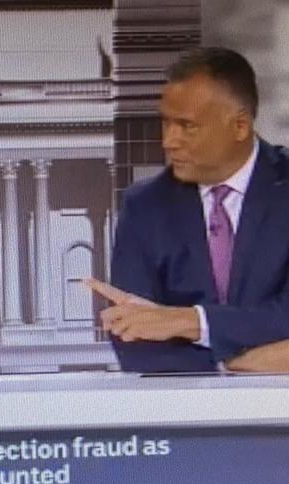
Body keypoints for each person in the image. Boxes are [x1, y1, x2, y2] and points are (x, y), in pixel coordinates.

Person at [88, 47, 289, 373]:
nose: (169, 141)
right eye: (166, 123)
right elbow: (135, 343)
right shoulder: (144, 207)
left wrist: (188, 321)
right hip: (184, 408)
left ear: (239, 126)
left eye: (187, 126)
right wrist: (239, 363)